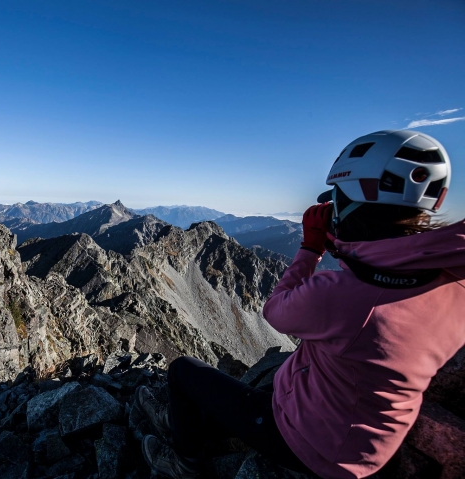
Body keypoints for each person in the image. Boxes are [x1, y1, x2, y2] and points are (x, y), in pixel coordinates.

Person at [137, 130, 465, 478]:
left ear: (356, 202)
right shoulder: (454, 282)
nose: (332, 207)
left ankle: (182, 464)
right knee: (263, 387)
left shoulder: (339, 293)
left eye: (337, 199)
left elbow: (275, 310)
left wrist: (311, 248)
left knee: (183, 370)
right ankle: (180, 421)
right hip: (368, 440)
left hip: (314, 446)